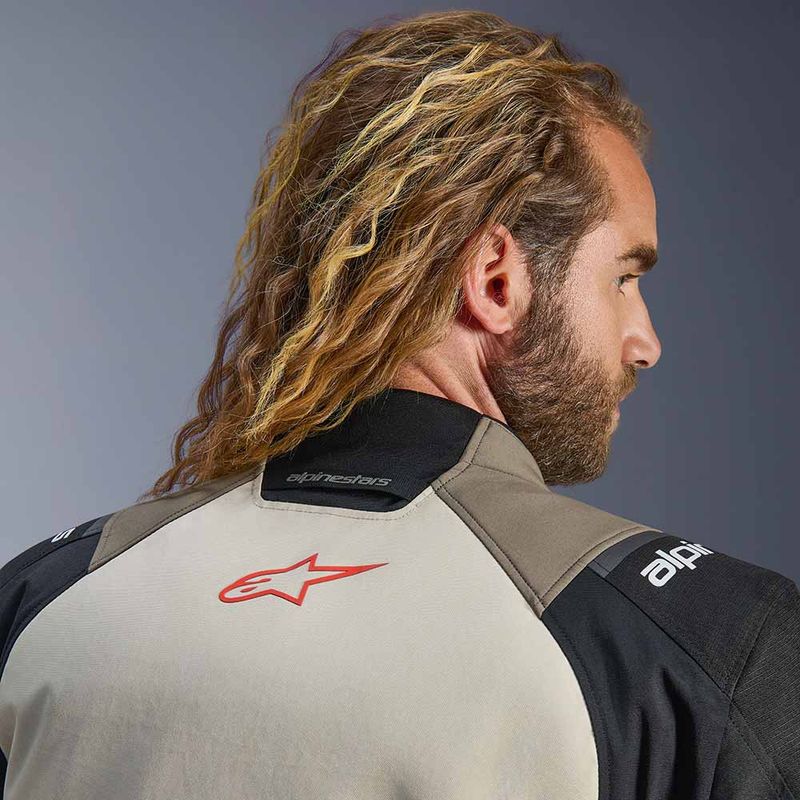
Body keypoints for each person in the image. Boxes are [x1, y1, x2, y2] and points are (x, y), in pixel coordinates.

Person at [0, 9, 797, 799]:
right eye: (624, 277)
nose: (645, 342)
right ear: (497, 279)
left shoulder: (48, 596)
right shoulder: (715, 645)